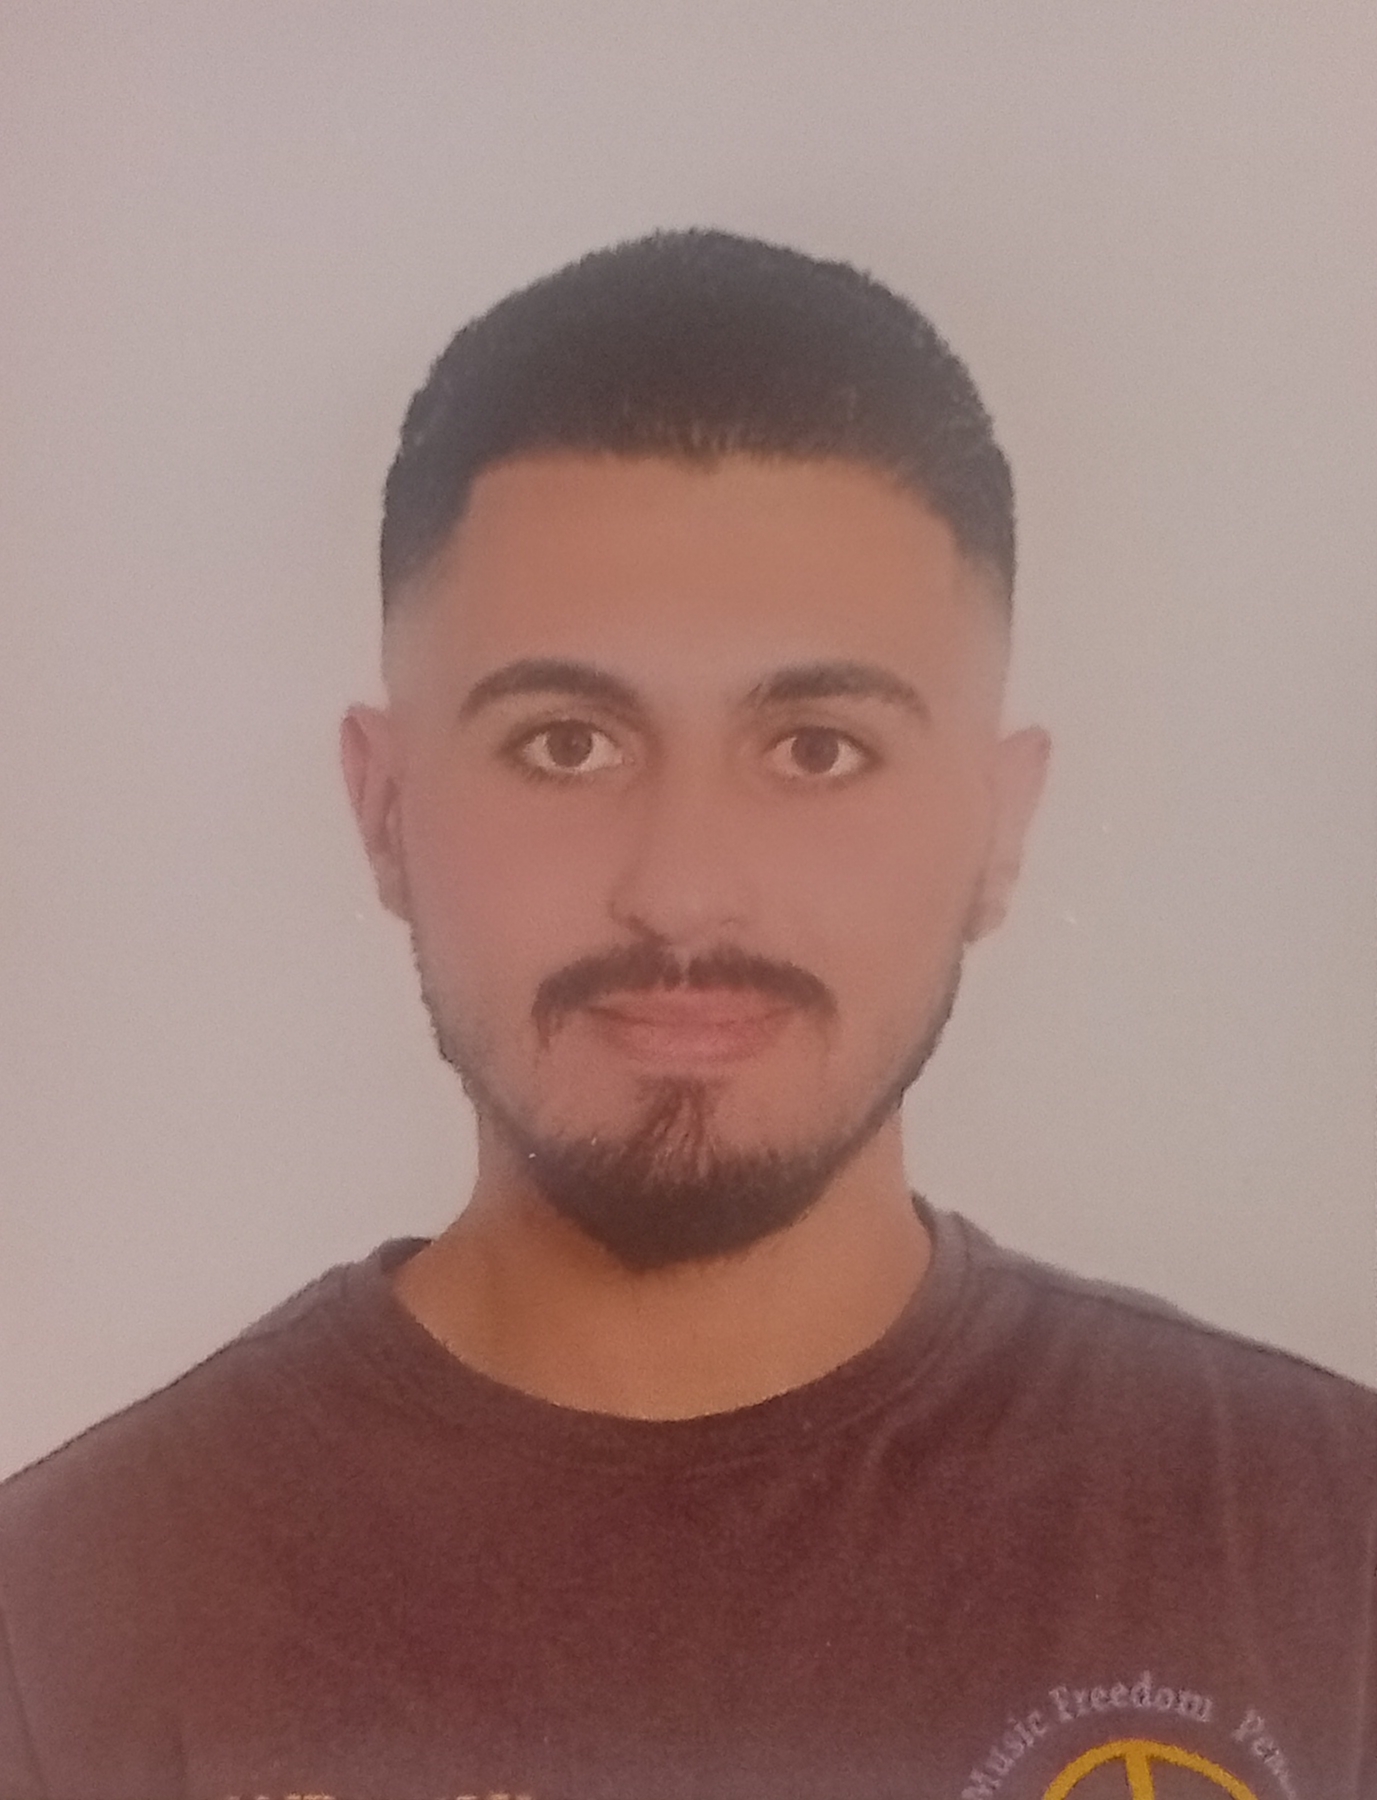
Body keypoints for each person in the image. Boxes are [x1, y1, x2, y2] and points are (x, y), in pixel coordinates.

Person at [0, 229, 1370, 1800]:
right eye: (566, 745)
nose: (684, 892)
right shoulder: (62, 1630)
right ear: (385, 814)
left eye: (817, 749)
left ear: (997, 830)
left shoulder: (1328, 1553)